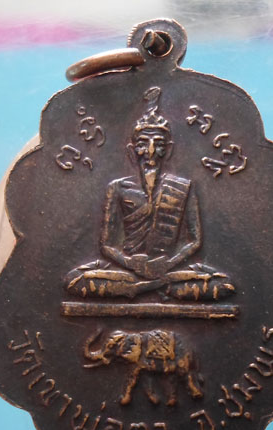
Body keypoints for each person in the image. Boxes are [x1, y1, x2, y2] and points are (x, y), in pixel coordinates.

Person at [64, 87, 235, 302]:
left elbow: (195, 240)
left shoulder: (184, 187)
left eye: (159, 144)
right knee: (75, 280)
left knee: (222, 283)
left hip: (169, 270)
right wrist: (131, 263)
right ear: (131, 150)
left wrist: (168, 264)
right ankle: (156, 288)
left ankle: (144, 288)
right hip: (127, 271)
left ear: (168, 150)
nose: (151, 151)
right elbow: (106, 245)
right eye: (143, 144)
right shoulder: (118, 187)